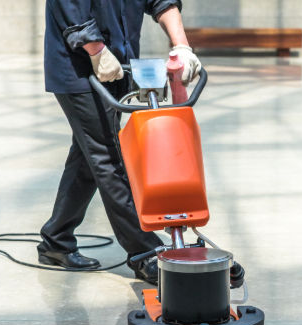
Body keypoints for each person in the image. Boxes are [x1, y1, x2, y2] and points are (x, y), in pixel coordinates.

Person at [38, 0, 201, 284]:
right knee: (107, 156)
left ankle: (56, 239)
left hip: (118, 64)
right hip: (80, 68)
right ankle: (143, 252)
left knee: (89, 154)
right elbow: (69, 6)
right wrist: (97, 50)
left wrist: (182, 46)